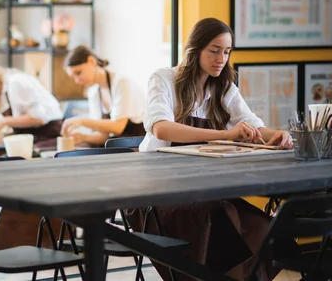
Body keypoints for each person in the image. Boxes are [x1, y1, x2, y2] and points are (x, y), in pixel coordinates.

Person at [127, 18, 295, 281]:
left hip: (203, 189)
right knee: (224, 218)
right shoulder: (164, 79)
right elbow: (162, 129)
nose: (222, 59)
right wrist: (226, 134)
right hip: (156, 193)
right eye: (214, 50)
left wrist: (279, 135)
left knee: (264, 229)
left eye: (227, 52)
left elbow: (253, 127)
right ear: (195, 50)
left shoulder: (223, 87)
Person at [61, 45, 146, 147]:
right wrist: (83, 137)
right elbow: (103, 136)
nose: (77, 81)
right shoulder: (93, 92)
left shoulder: (121, 83)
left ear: (91, 61)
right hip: (118, 145)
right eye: (73, 77)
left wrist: (81, 121)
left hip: (137, 145)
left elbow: (118, 127)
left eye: (78, 73)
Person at [0, 63, 63, 149]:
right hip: (34, 138)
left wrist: (3, 121)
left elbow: (39, 118)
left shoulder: (15, 82)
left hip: (50, 136)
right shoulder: (0, 96)